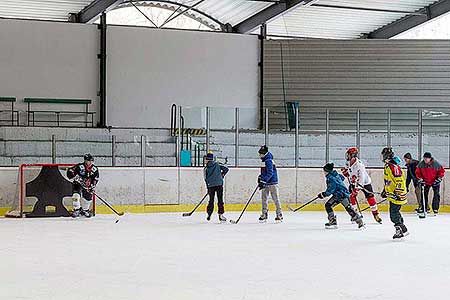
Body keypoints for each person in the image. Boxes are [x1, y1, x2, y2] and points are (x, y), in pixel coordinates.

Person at [318, 162, 364, 229]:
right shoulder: (335, 175)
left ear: (327, 171)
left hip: (341, 195)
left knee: (347, 208)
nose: (324, 172)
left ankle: (359, 222)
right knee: (331, 205)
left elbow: (331, 189)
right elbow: (342, 177)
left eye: (324, 171)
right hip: (341, 194)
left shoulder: (330, 178)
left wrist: (323, 194)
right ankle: (359, 222)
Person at [341, 147, 382, 224]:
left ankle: (376, 214)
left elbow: (361, 178)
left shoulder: (359, 165)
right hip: (354, 183)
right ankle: (356, 214)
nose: (347, 156)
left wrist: (356, 189)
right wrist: (346, 173)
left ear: (352, 155)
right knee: (351, 197)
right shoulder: (348, 162)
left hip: (364, 183)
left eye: (349, 154)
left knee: (370, 198)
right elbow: (350, 172)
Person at [380, 147, 408, 239]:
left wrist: (398, 193)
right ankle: (400, 230)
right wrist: (385, 190)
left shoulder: (393, 167)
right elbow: (389, 181)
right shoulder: (388, 166)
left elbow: (399, 181)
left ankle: (403, 229)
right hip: (393, 194)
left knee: (394, 214)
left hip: (397, 195)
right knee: (396, 212)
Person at [66, 154, 99, 218]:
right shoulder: (79, 166)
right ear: (85, 161)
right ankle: (77, 210)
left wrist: (92, 186)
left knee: (88, 198)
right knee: (75, 196)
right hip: (77, 184)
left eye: (91, 161)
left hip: (87, 186)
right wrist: (72, 175)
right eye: (88, 161)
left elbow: (95, 179)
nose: (90, 162)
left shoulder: (94, 169)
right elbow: (70, 171)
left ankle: (85, 210)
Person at [257, 145, 283, 222]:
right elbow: (264, 172)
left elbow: (270, 173)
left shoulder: (268, 160)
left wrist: (263, 181)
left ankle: (279, 214)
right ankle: (264, 214)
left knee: (275, 199)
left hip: (272, 182)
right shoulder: (264, 160)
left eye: (261, 153)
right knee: (264, 198)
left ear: (265, 153)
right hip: (266, 182)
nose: (260, 155)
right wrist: (260, 177)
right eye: (260, 153)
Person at [204, 152, 229, 222]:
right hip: (219, 184)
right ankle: (221, 215)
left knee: (211, 200)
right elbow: (226, 169)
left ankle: (209, 213)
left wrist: (208, 188)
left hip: (211, 186)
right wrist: (222, 175)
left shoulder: (206, 168)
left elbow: (205, 178)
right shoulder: (217, 164)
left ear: (207, 159)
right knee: (220, 200)